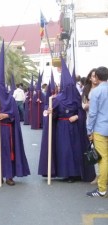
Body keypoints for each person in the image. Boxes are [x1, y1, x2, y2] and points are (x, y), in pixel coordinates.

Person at [38, 58, 95, 183]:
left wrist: (77, 116)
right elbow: (50, 112)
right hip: (61, 128)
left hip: (75, 128)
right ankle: (66, 173)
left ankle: (76, 173)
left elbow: (82, 111)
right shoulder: (57, 98)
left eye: (71, 86)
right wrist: (50, 112)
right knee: (64, 150)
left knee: (75, 149)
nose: (69, 88)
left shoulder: (76, 97)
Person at [0, 42, 30, 186]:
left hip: (6, 130)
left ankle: (9, 176)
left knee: (7, 152)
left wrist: (6, 115)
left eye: (1, 86)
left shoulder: (10, 98)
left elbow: (15, 114)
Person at [86, 66, 108, 197]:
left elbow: (92, 114)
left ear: (98, 77)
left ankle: (102, 189)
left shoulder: (96, 92)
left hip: (100, 128)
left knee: (103, 159)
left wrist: (89, 131)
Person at [82, 68, 99, 184]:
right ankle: (98, 175)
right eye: (93, 76)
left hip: (102, 121)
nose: (95, 78)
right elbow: (84, 106)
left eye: (97, 76)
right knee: (95, 149)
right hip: (91, 121)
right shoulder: (87, 90)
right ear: (89, 77)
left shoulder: (103, 89)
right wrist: (91, 104)